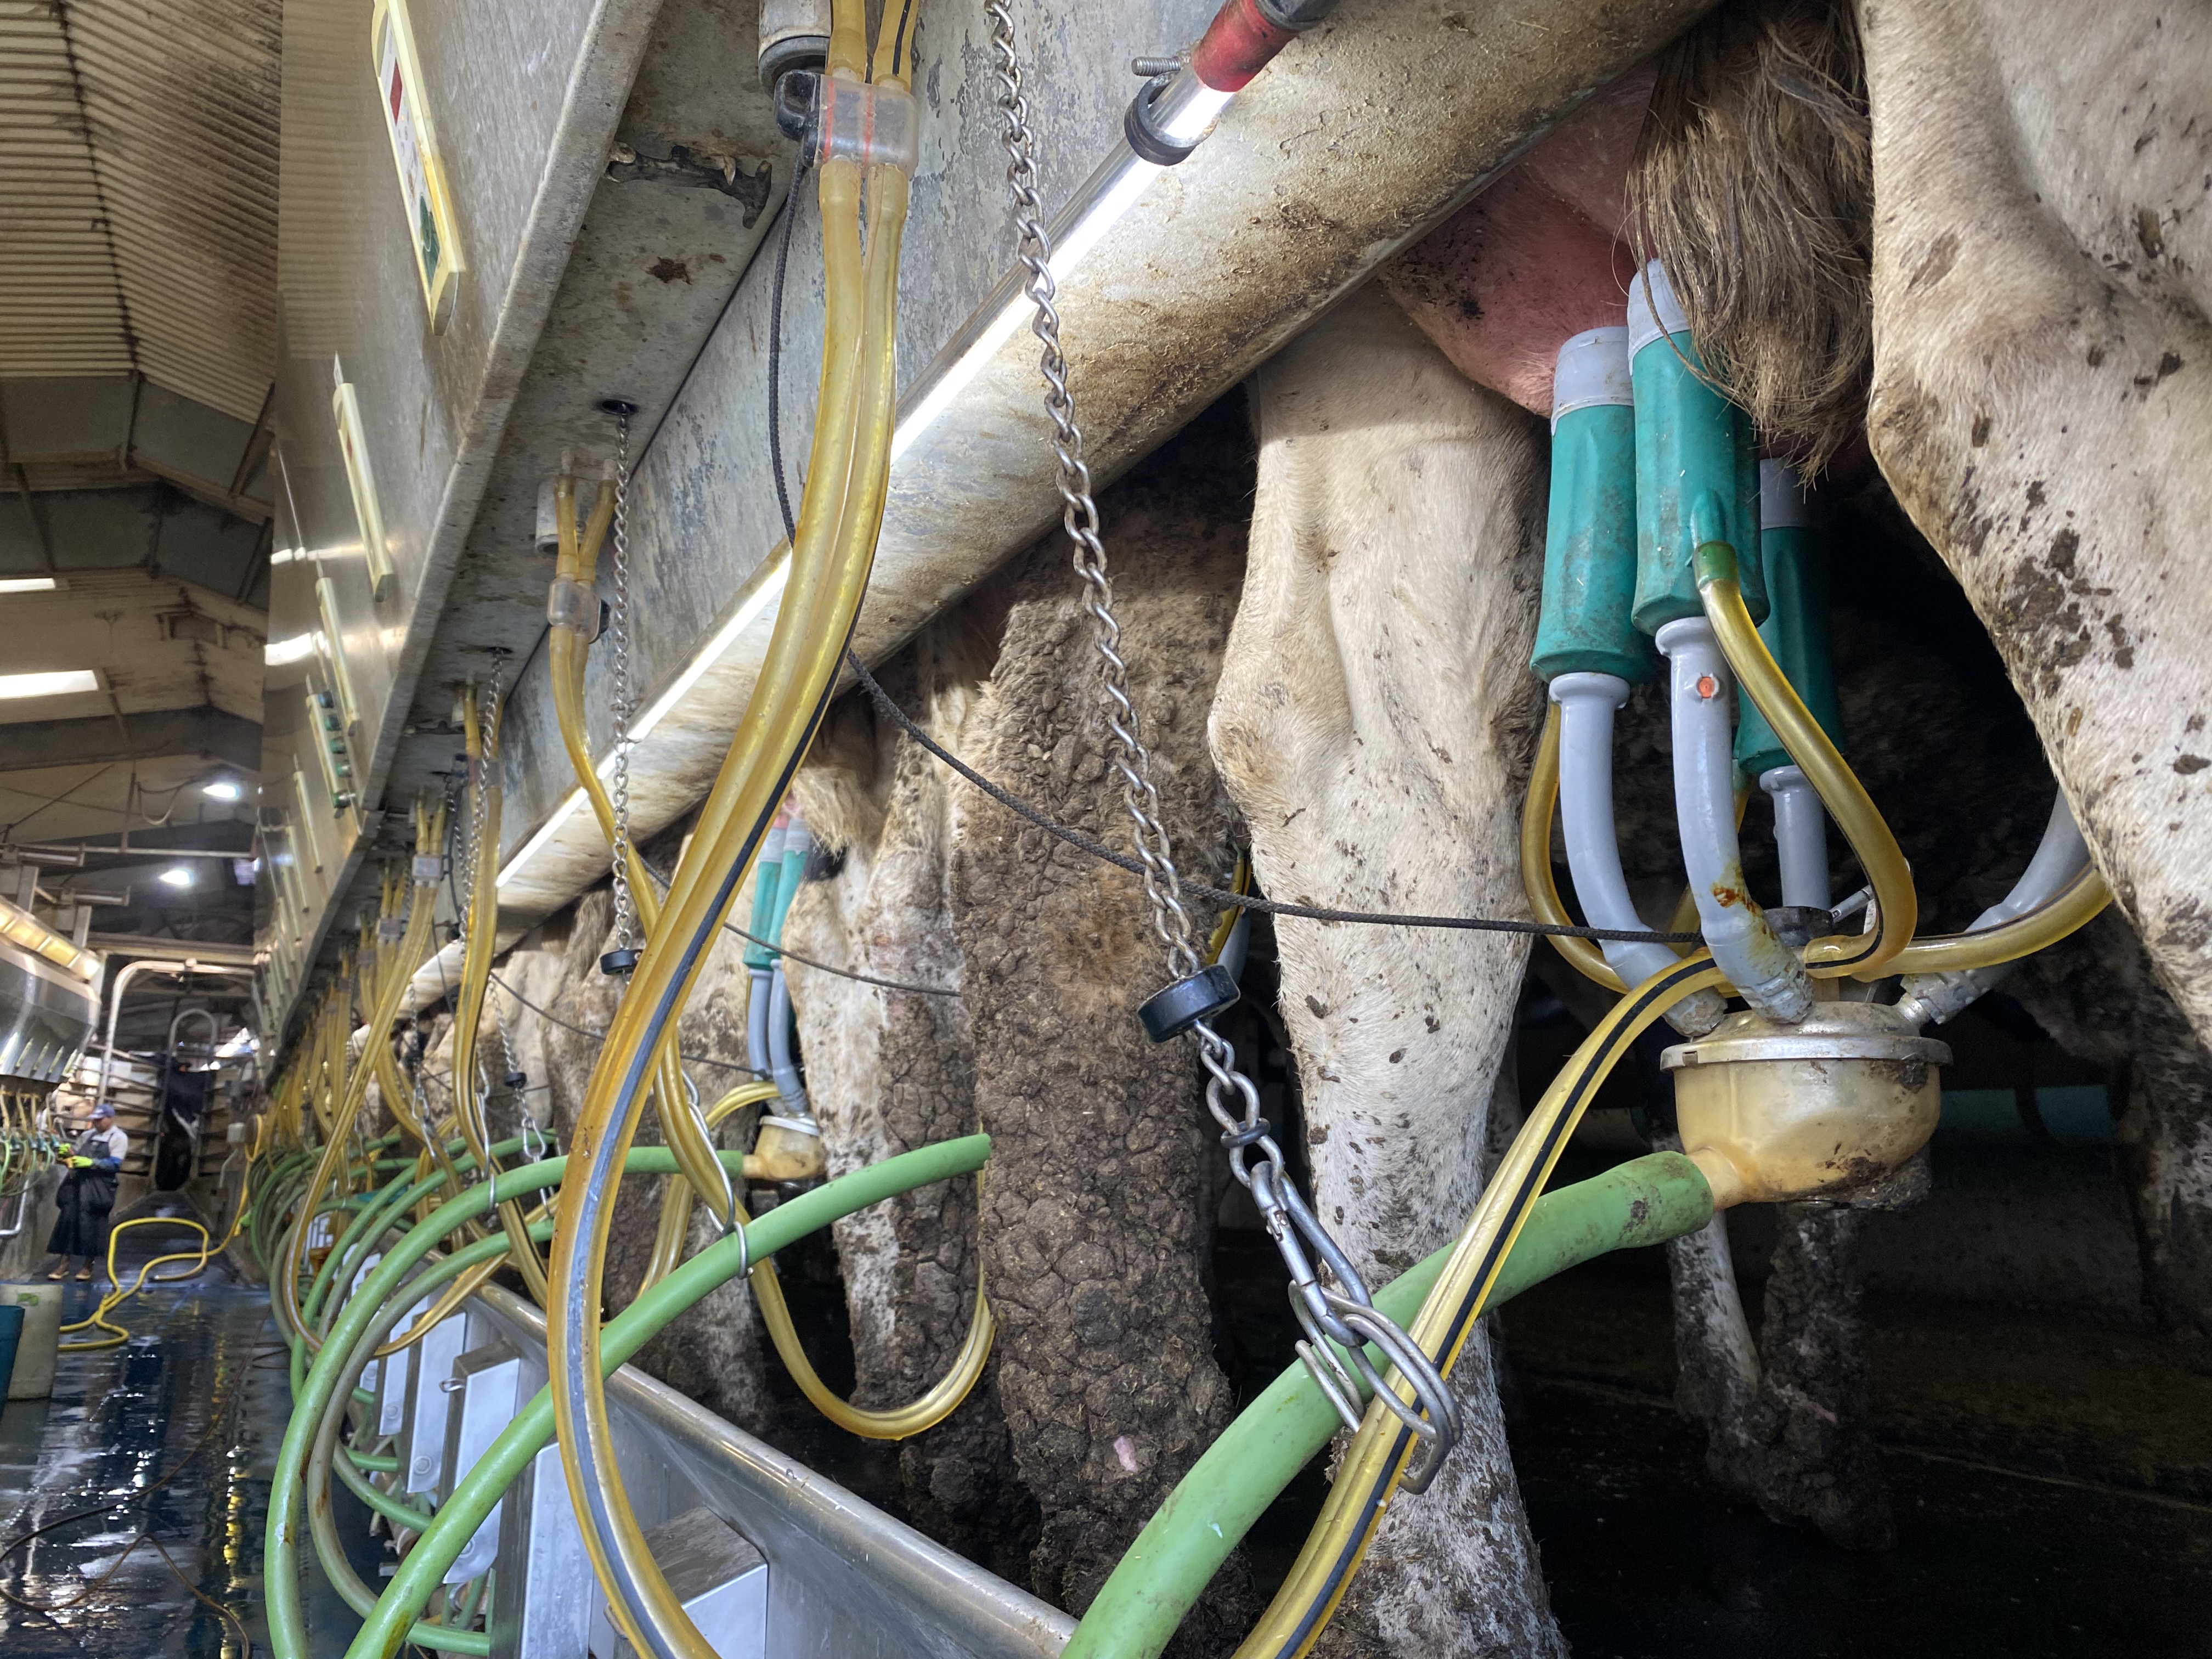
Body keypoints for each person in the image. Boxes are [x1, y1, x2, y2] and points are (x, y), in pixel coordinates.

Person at [45, 1102, 128, 1283]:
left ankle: (87, 1266)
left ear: (110, 1119)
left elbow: (115, 1164)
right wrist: (68, 1152)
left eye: (100, 1120)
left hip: (99, 1187)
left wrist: (92, 1163)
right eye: (94, 1120)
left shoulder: (118, 1137)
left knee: (93, 1225)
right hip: (78, 1183)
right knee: (68, 1220)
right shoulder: (88, 1134)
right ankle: (63, 1265)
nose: (96, 1123)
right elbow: (76, 1152)